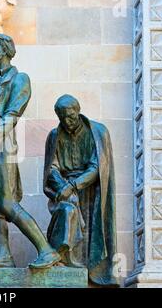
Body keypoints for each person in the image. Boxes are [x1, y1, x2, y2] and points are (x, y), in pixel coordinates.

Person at [0, 33, 60, 269]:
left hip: (0, 146)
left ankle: (46, 250)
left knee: (6, 203)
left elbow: (10, 118)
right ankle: (4, 256)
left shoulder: (19, 80)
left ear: (5, 51)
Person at [43, 94, 119, 286]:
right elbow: (51, 168)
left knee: (92, 233)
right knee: (67, 212)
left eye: (70, 116)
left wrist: (73, 186)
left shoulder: (98, 132)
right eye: (62, 118)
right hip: (64, 187)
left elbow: (97, 167)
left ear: (78, 111)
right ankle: (63, 261)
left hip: (91, 188)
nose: (67, 122)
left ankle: (93, 277)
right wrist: (63, 187)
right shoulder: (54, 135)